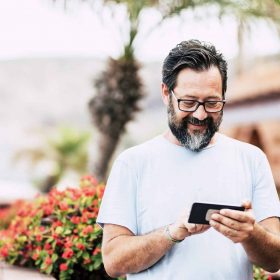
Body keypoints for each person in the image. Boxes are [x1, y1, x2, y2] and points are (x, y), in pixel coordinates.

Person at [96, 39, 280, 279]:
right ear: (166, 93)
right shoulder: (132, 163)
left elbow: (275, 260)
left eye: (212, 103)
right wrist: (173, 232)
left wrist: (251, 233)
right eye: (189, 102)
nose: (200, 114)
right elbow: (114, 261)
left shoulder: (252, 158)